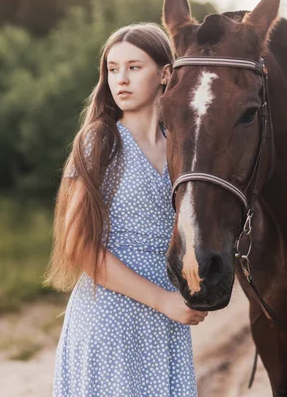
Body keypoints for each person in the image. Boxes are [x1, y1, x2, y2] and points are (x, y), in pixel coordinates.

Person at [46, 23, 207, 397]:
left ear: (165, 74)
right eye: (112, 69)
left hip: (165, 323)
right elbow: (77, 245)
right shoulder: (100, 141)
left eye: (134, 67)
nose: (121, 79)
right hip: (108, 319)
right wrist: (164, 301)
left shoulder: (182, 147)